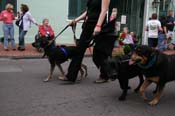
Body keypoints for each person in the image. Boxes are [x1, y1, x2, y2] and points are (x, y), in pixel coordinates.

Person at [60, 0, 111, 83]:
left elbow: (104, 11)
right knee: (79, 49)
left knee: (99, 52)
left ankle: (105, 75)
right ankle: (71, 76)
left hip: (99, 26)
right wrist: (75, 20)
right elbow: (88, 12)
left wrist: (98, 26)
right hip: (88, 25)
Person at [93, 8, 117, 83]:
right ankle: (107, 75)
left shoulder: (110, 22)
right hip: (103, 41)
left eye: (115, 12)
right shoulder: (106, 20)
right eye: (113, 12)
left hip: (105, 42)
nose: (113, 13)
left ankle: (105, 76)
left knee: (104, 59)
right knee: (102, 58)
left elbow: (109, 29)